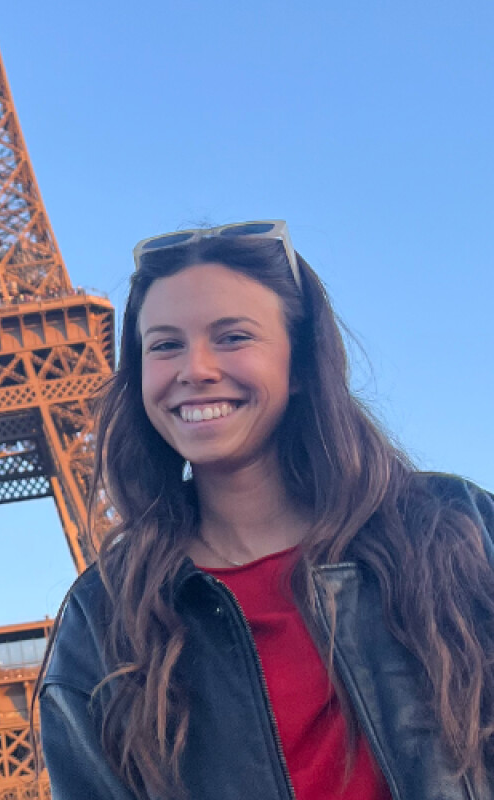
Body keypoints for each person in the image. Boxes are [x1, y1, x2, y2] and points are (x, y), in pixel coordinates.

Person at [37, 221, 494, 800]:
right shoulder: (102, 619)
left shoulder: (454, 529)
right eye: (166, 344)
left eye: (233, 337)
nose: (195, 369)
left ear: (299, 364)